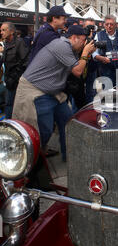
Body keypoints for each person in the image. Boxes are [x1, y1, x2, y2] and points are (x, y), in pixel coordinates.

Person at [12, 25, 95, 160]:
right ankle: (31, 164)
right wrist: (85, 53)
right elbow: (78, 71)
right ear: (74, 38)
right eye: (83, 41)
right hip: (36, 90)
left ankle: (70, 157)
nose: (84, 44)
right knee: (43, 130)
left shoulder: (70, 48)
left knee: (68, 122)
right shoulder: (62, 45)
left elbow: (81, 71)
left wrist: (86, 54)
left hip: (52, 92)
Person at [1, 21, 30, 118]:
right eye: (1, 30)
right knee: (9, 104)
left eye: (4, 30)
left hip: (16, 81)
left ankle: (10, 125)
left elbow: (25, 62)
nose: (1, 32)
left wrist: (15, 77)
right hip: (8, 80)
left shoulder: (19, 42)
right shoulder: (7, 43)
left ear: (11, 31)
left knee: (12, 104)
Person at [93, 15, 118, 88]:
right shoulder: (99, 35)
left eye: (111, 24)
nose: (109, 26)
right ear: (104, 25)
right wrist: (101, 58)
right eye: (107, 24)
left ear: (116, 25)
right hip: (105, 69)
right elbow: (93, 53)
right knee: (108, 94)